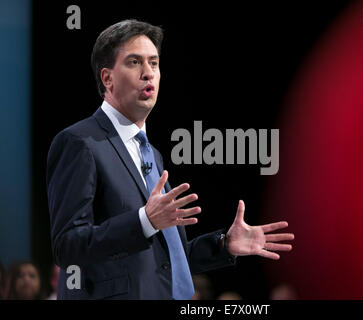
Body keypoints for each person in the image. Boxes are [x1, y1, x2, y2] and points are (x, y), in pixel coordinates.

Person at [46, 19, 294, 300]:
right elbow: (67, 246)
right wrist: (144, 221)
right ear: (107, 78)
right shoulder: (80, 142)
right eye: (134, 62)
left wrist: (224, 245)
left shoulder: (152, 153)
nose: (148, 73)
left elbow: (165, 260)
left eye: (154, 63)